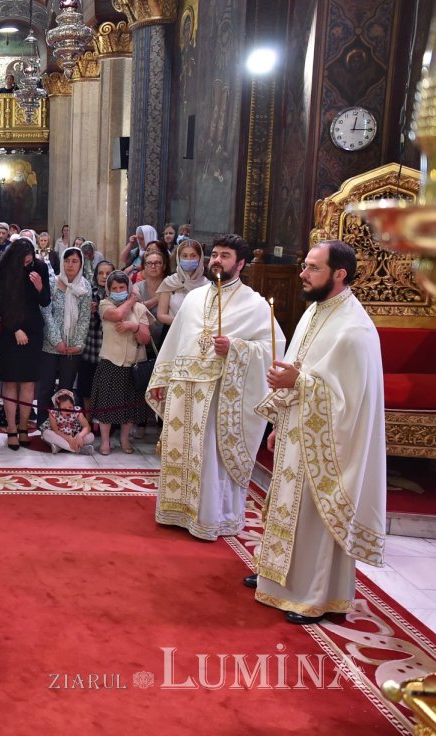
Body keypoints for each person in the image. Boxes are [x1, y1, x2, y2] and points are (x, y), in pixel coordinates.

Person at [244, 240, 386, 624]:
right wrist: (278, 420)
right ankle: (275, 577)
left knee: (312, 517)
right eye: (304, 265)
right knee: (285, 508)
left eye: (313, 268)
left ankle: (313, 595)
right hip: (297, 429)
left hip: (327, 444)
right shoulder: (315, 312)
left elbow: (352, 405)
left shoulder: (355, 329)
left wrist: (298, 382)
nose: (303, 274)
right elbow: (298, 368)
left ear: (339, 274)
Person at [147, 234, 281, 540]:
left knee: (211, 457)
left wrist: (235, 347)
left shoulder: (255, 305)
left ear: (241, 264)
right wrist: (163, 380)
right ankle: (178, 511)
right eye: (215, 254)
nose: (217, 260)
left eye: (225, 256)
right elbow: (175, 342)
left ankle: (212, 517)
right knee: (183, 452)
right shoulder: (194, 297)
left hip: (221, 397)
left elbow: (272, 348)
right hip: (185, 393)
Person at [0, 238, 50, 448]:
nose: (28, 264)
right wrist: (14, 329)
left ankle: (24, 427)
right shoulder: (4, 269)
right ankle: (11, 429)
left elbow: (45, 301)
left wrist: (40, 287)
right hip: (8, 331)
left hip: (33, 330)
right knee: (10, 380)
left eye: (30, 260)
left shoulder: (39, 267)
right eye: (24, 261)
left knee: (28, 381)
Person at [92, 270, 151, 455]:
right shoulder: (104, 304)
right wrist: (131, 300)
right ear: (109, 290)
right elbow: (117, 315)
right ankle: (105, 441)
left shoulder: (140, 309)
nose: (118, 290)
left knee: (129, 407)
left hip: (133, 363)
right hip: (111, 361)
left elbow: (145, 339)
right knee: (107, 405)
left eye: (122, 287)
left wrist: (134, 327)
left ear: (129, 287)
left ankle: (125, 439)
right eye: (114, 288)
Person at [38, 247, 91, 425]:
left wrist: (78, 345)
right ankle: (42, 425)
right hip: (50, 345)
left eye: (74, 261)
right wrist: (57, 341)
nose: (70, 265)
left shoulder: (84, 287)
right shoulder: (53, 282)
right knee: (45, 387)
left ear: (81, 264)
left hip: (72, 348)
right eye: (67, 260)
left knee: (65, 390)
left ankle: (62, 425)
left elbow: (84, 318)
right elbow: (46, 312)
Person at [78, 260, 115, 421]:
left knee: (107, 389)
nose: (104, 276)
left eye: (108, 273)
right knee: (86, 388)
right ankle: (87, 420)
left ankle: (103, 422)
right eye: (100, 273)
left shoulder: (118, 293)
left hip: (110, 350)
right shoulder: (88, 292)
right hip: (90, 348)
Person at [156, 238, 207, 330]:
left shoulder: (207, 285)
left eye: (193, 256)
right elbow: (161, 315)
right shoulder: (170, 282)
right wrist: (183, 322)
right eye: (184, 256)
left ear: (200, 258)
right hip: (172, 331)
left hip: (198, 332)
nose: (189, 259)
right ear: (178, 258)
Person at [41, 389, 96, 454]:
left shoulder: (77, 411)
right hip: (60, 435)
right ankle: (77, 449)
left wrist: (79, 436)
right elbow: (55, 430)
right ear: (58, 407)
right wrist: (68, 438)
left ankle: (60, 447)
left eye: (70, 407)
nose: (68, 410)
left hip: (74, 436)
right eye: (64, 408)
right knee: (46, 434)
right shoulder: (53, 412)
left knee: (91, 436)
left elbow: (87, 427)